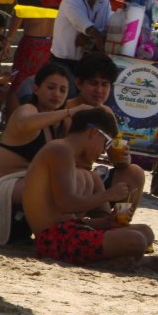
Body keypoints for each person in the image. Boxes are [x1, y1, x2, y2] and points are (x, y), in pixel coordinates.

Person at [0, 64, 91, 244]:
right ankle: (61, 235)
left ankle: (78, 228)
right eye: (50, 88)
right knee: (54, 188)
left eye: (62, 90)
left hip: (26, 185)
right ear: (36, 88)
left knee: (82, 178)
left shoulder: (59, 123)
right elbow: (25, 124)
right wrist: (68, 112)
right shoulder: (28, 110)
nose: (56, 94)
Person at [23, 107, 155, 266]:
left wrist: (111, 220)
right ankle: (115, 261)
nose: (103, 152)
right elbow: (66, 204)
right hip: (54, 238)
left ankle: (117, 259)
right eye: (106, 144)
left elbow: (102, 220)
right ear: (94, 133)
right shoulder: (59, 150)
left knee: (145, 232)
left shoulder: (73, 160)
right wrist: (109, 195)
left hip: (73, 230)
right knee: (137, 241)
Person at [60, 54, 146, 209]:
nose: (99, 90)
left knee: (134, 173)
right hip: (64, 180)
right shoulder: (64, 111)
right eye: (93, 83)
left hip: (91, 180)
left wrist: (124, 158)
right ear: (79, 83)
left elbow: (116, 157)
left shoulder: (106, 114)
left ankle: (119, 220)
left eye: (105, 84)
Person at [49, 0, 111, 83]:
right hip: (63, 63)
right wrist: (97, 38)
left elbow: (106, 28)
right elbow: (82, 23)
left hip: (87, 63)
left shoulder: (104, 3)